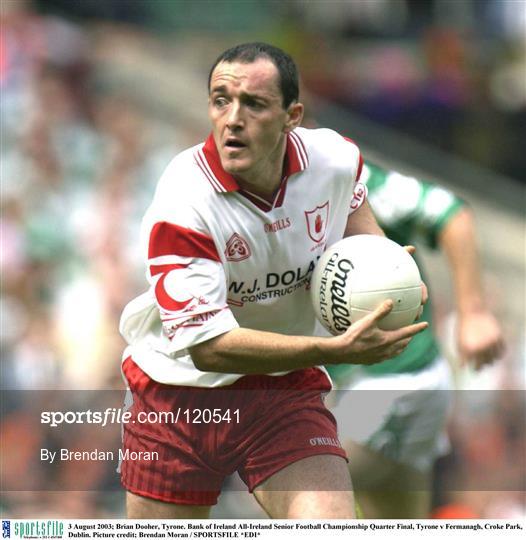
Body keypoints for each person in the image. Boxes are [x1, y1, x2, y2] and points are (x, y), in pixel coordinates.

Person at [118, 42, 428, 519]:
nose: (232, 119)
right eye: (221, 100)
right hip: (176, 396)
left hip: (282, 389)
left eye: (254, 104)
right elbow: (209, 347)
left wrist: (392, 277)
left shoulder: (335, 159)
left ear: (292, 116)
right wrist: (332, 350)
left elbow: (356, 217)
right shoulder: (184, 202)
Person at [329, 161, 505, 518]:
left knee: (302, 491)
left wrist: (473, 313)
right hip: (343, 385)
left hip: (398, 378)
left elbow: (450, 214)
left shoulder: (345, 174)